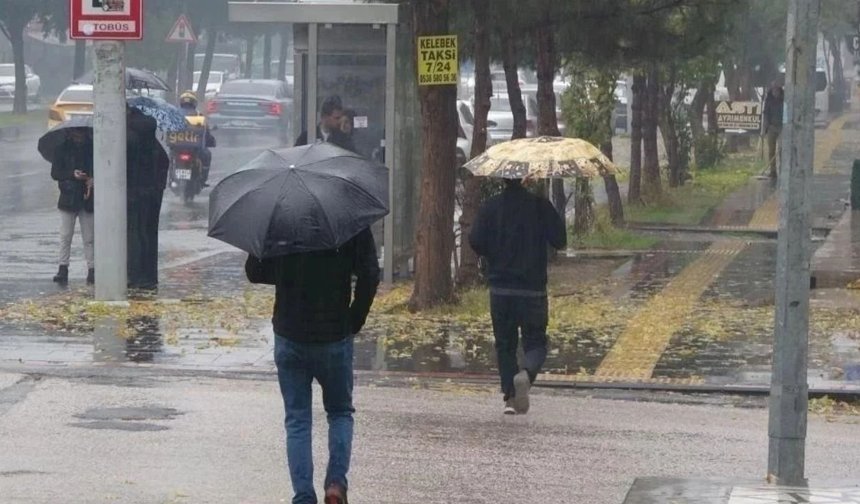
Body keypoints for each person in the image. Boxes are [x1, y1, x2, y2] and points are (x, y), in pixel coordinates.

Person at [245, 227, 379, 504]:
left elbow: (255, 271)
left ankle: (304, 496)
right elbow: (369, 273)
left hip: (290, 332)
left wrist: (285, 267)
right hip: (334, 333)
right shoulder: (347, 219)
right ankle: (336, 483)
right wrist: (355, 318)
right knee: (340, 412)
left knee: (297, 420)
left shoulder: (280, 218)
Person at [469, 179, 566, 415]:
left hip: (501, 289)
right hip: (533, 290)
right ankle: (527, 373)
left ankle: (511, 399)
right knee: (536, 342)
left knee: (505, 344)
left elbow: (475, 240)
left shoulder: (491, 207)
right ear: (526, 179)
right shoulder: (540, 206)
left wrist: (494, 252)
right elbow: (560, 241)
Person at [127, 105, 170, 290]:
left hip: (134, 194)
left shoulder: (129, 139)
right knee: (149, 234)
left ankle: (134, 275)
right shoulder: (152, 141)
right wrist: (157, 187)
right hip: (152, 196)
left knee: (134, 234)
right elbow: (164, 163)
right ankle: (149, 277)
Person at [50, 129, 95, 285]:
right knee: (65, 235)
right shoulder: (61, 149)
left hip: (87, 197)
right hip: (68, 197)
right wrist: (71, 174)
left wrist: (92, 179)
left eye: (80, 134)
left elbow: (101, 168)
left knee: (89, 237)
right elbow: (55, 173)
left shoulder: (93, 148)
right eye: (76, 134)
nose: (78, 137)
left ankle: (92, 268)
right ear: (69, 134)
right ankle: (63, 268)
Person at [178, 91, 216, 186]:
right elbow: (206, 132)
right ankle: (203, 179)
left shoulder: (174, 113)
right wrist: (211, 141)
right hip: (195, 149)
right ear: (194, 103)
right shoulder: (199, 115)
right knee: (207, 155)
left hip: (177, 148)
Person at [762, 80, 784, 179]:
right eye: (773, 90)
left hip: (782, 128)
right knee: (771, 150)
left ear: (779, 90)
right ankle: (773, 171)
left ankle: (783, 170)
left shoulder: (784, 99)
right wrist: (765, 128)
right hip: (771, 127)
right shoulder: (769, 100)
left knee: (782, 149)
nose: (775, 92)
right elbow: (766, 114)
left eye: (777, 90)